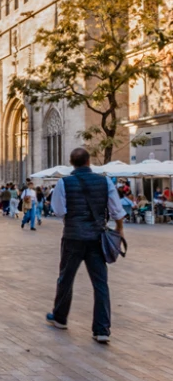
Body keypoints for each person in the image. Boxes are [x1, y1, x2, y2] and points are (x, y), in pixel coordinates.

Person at [47, 147, 126, 344]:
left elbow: (58, 210)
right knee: (100, 284)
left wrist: (74, 219)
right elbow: (117, 210)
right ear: (89, 162)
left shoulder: (63, 183)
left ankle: (60, 317)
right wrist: (119, 229)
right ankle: (102, 329)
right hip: (96, 237)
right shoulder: (105, 181)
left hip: (73, 237)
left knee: (66, 278)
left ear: (71, 163)